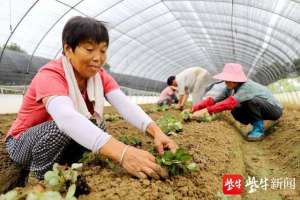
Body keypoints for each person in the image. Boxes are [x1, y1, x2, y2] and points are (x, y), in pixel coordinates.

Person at [5, 16, 178, 180]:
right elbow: (66, 119)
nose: (98, 58)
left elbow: (125, 105)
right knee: (60, 128)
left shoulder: (98, 76)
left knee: (98, 124)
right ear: (68, 49)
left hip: (56, 142)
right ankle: (39, 178)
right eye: (89, 49)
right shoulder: (51, 75)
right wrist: (123, 153)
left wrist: (157, 132)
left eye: (103, 50)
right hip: (22, 144)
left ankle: (65, 165)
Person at [192, 63, 283, 141]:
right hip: (261, 108)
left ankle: (259, 130)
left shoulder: (247, 86)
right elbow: (214, 100)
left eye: (228, 80)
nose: (225, 82)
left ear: (235, 80)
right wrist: (195, 108)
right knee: (235, 110)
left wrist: (206, 111)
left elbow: (229, 103)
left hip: (274, 110)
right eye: (225, 79)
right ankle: (255, 126)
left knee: (252, 101)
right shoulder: (229, 88)